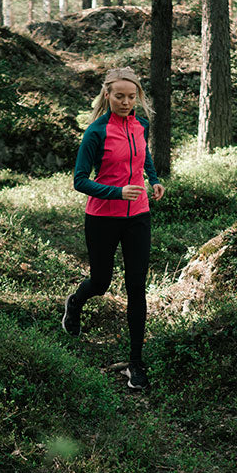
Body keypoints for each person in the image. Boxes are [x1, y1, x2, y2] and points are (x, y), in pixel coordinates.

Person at [62, 67, 164, 390]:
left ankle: (136, 363)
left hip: (139, 217)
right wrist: (117, 192)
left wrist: (155, 180)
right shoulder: (96, 132)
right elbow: (80, 180)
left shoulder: (140, 126)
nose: (125, 102)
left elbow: (144, 156)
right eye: (119, 96)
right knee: (102, 281)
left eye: (131, 97)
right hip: (103, 217)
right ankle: (75, 302)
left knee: (137, 288)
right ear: (107, 95)